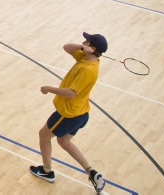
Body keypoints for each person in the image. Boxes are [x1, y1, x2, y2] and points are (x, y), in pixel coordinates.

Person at [29, 33, 107, 193]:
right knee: (64, 142)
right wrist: (81, 47)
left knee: (44, 136)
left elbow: (71, 92)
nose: (83, 41)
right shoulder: (85, 58)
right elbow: (66, 47)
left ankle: (47, 171)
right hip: (81, 113)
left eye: (87, 41)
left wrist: (48, 88)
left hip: (68, 114)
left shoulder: (88, 69)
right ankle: (91, 172)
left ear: (92, 49)